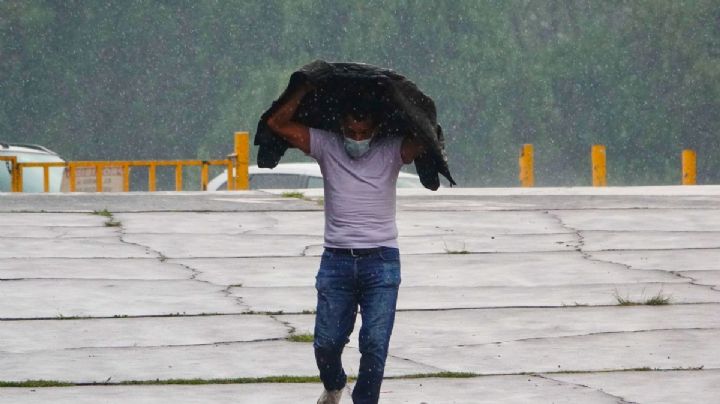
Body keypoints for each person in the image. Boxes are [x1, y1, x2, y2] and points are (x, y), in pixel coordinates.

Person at [266, 82, 425, 404]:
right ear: (340, 126)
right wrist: (303, 87)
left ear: (376, 128)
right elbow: (277, 124)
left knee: (375, 343)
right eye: (350, 131)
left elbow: (426, 135)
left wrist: (401, 100)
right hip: (336, 261)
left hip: (381, 261)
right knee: (326, 342)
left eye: (362, 131)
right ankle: (334, 383)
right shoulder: (326, 145)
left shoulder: (392, 148)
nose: (356, 138)